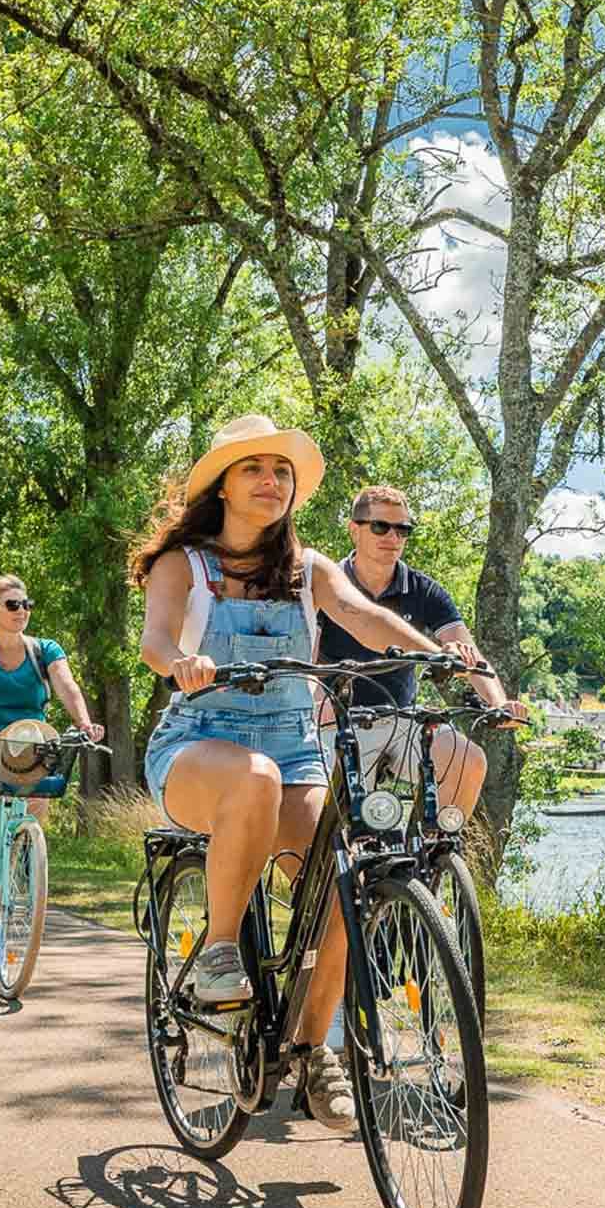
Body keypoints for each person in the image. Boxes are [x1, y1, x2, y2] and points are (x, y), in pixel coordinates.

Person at [131, 414, 524, 1133]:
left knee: (341, 881)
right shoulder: (183, 565)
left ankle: (314, 1052)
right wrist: (178, 664)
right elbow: (156, 637)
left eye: (282, 472)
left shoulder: (308, 568)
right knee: (252, 778)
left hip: (292, 747)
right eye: (254, 468)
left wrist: (434, 657)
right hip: (199, 745)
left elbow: (363, 615)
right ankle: (222, 950)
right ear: (221, 483)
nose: (271, 481)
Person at [0, 575, 102, 960]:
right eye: (12, 605)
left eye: (26, 605)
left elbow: (67, 685)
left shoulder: (45, 651)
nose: (22, 611)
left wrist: (83, 721)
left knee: (31, 820)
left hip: (30, 743)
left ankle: (24, 864)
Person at [315, 483, 515, 811]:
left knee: (468, 760)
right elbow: (306, 655)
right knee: (342, 817)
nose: (392, 538)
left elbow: (468, 654)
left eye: (402, 529)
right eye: (380, 526)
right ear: (355, 530)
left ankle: (439, 852)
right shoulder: (327, 584)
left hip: (402, 721)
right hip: (337, 724)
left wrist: (499, 704)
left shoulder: (423, 591)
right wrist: (313, 708)